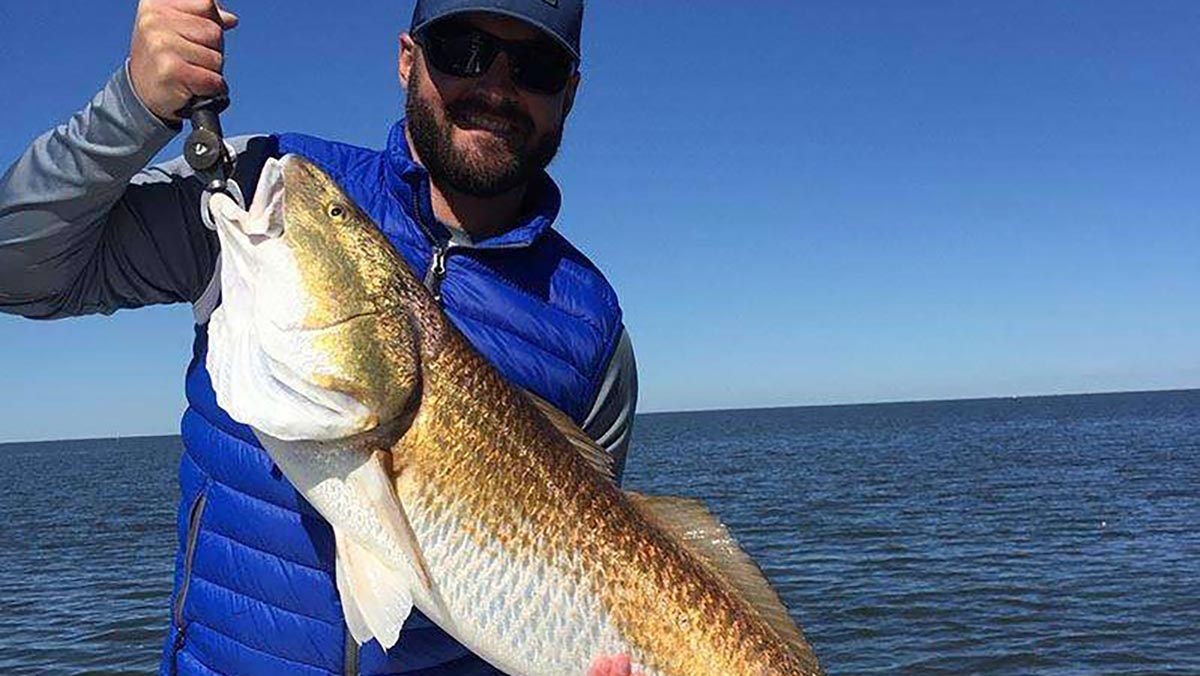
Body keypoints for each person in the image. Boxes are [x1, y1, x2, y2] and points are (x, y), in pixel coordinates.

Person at [0, 0, 640, 674]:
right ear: (406, 59)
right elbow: (16, 271)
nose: (496, 87)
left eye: (535, 66)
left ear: (568, 94)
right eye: (463, 50)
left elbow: (597, 562)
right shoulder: (269, 196)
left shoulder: (591, 322)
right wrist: (131, 106)